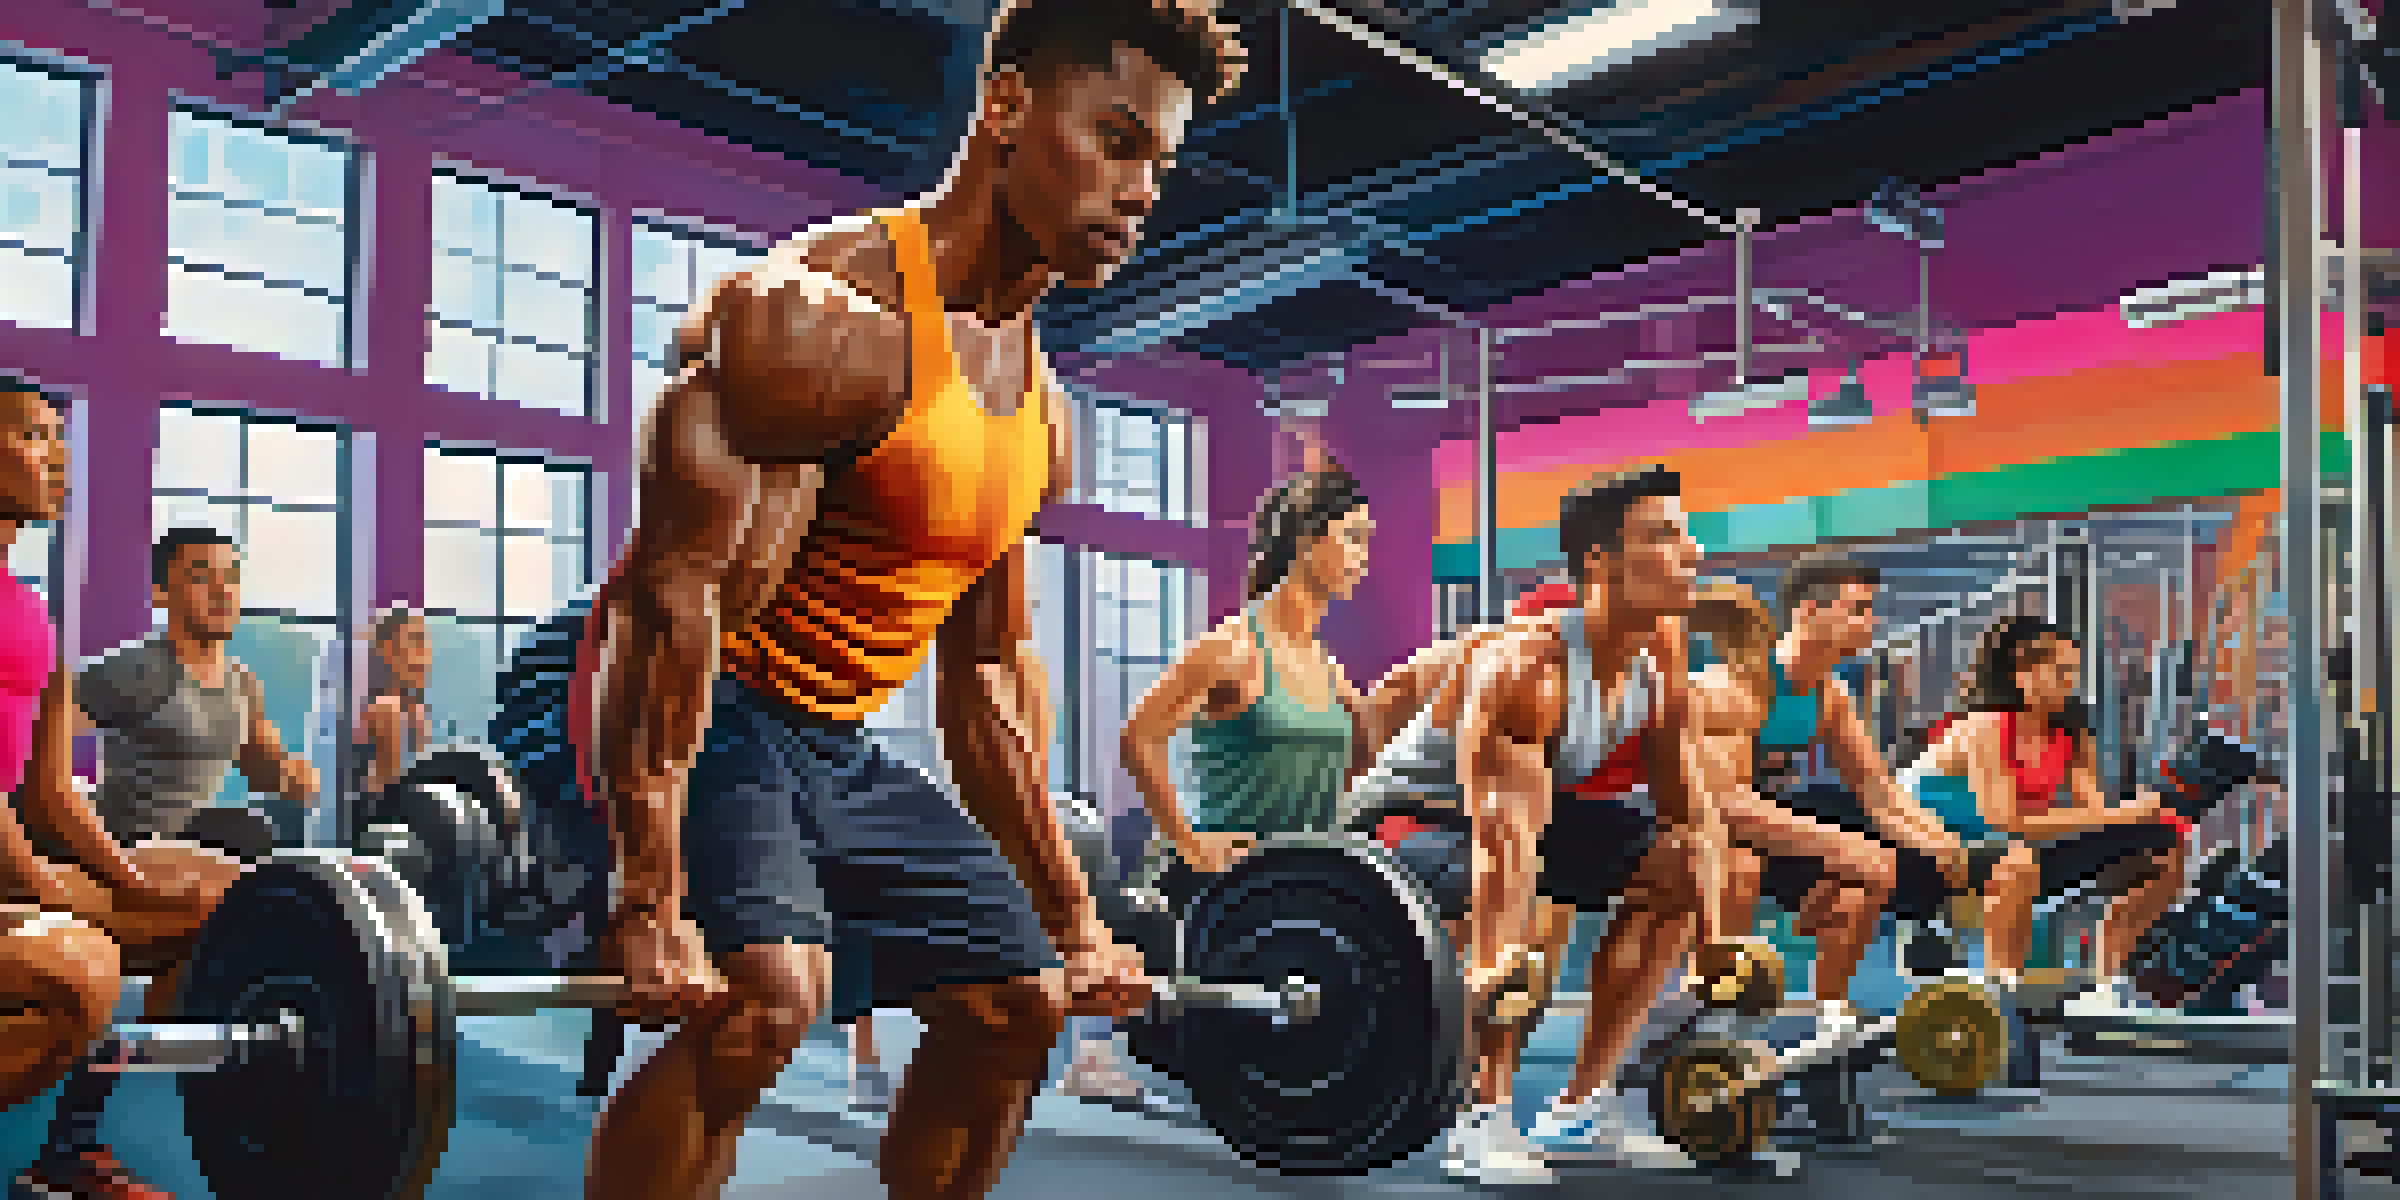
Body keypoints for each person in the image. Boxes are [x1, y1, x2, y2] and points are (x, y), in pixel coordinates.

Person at [566, 5, 1246, 1197]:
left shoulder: (1039, 413)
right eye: (1117, 139)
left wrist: (1074, 916)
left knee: (1017, 1007)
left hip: (829, 739)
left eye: (1161, 164)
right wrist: (646, 895)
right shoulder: (817, 323)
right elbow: (668, 602)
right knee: (765, 1002)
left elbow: (982, 685)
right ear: (1006, 106)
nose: (1143, 191)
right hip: (690, 690)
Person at [1436, 465, 1731, 1181]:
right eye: (1663, 537)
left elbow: (1690, 819)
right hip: (1421, 820)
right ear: (1598, 561)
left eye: (1683, 534)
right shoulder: (1531, 671)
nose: (1691, 554)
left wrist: (1717, 946)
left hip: (1535, 816)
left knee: (1680, 874)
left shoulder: (1656, 663)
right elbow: (1503, 853)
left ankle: (1581, 1106)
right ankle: (1481, 1118)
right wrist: (1495, 963)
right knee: (1514, 938)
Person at [0, 380, 245, 1200]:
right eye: (36, 437)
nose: (61, 458)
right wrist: (48, 891)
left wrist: (133, 883)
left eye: (61, 439)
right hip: (7, 869)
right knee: (85, 972)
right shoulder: (132, 666)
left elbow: (53, 796)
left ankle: (69, 1149)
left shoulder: (32, 615)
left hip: (17, 859)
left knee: (218, 898)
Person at [1073, 466, 1375, 1101]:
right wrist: (1189, 840)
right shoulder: (1233, 649)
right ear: (1310, 540)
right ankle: (1094, 1048)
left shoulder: (1328, 668)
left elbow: (1357, 762)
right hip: (1221, 876)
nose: (1363, 559)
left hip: (1300, 880)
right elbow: (1139, 737)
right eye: (1352, 539)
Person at [1688, 558, 1964, 1028]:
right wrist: (1847, 847)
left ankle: (1829, 1011)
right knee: (1743, 865)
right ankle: (1707, 1005)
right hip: (1707, 824)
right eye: (1857, 609)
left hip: (1768, 821)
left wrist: (1937, 840)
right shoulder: (1740, 683)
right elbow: (1723, 803)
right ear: (1808, 612)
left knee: (1863, 885)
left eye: (1870, 609)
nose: (1870, 621)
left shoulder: (1829, 693)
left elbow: (1874, 789)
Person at [1899, 616, 2185, 1009]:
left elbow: (2093, 811)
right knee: (2013, 861)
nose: (2072, 682)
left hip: (2015, 849)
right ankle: (2002, 996)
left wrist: (2144, 814)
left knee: (2165, 842)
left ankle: (2107, 980)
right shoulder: (1983, 727)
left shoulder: (2070, 731)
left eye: (2074, 671)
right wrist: (2123, 815)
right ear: (2022, 675)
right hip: (1937, 852)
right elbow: (2003, 818)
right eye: (2062, 670)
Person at [75, 529, 321, 846]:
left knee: (250, 830)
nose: (222, 592)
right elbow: (39, 723)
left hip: (195, 843)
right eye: (203, 578)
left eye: (231, 578)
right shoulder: (139, 671)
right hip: (131, 847)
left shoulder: (241, 682)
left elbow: (263, 765)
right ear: (161, 593)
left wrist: (312, 781)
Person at [354, 606, 433, 803]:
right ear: (387, 650)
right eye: (416, 642)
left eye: (425, 643)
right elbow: (385, 794)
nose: (425, 655)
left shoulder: (412, 708)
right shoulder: (385, 710)